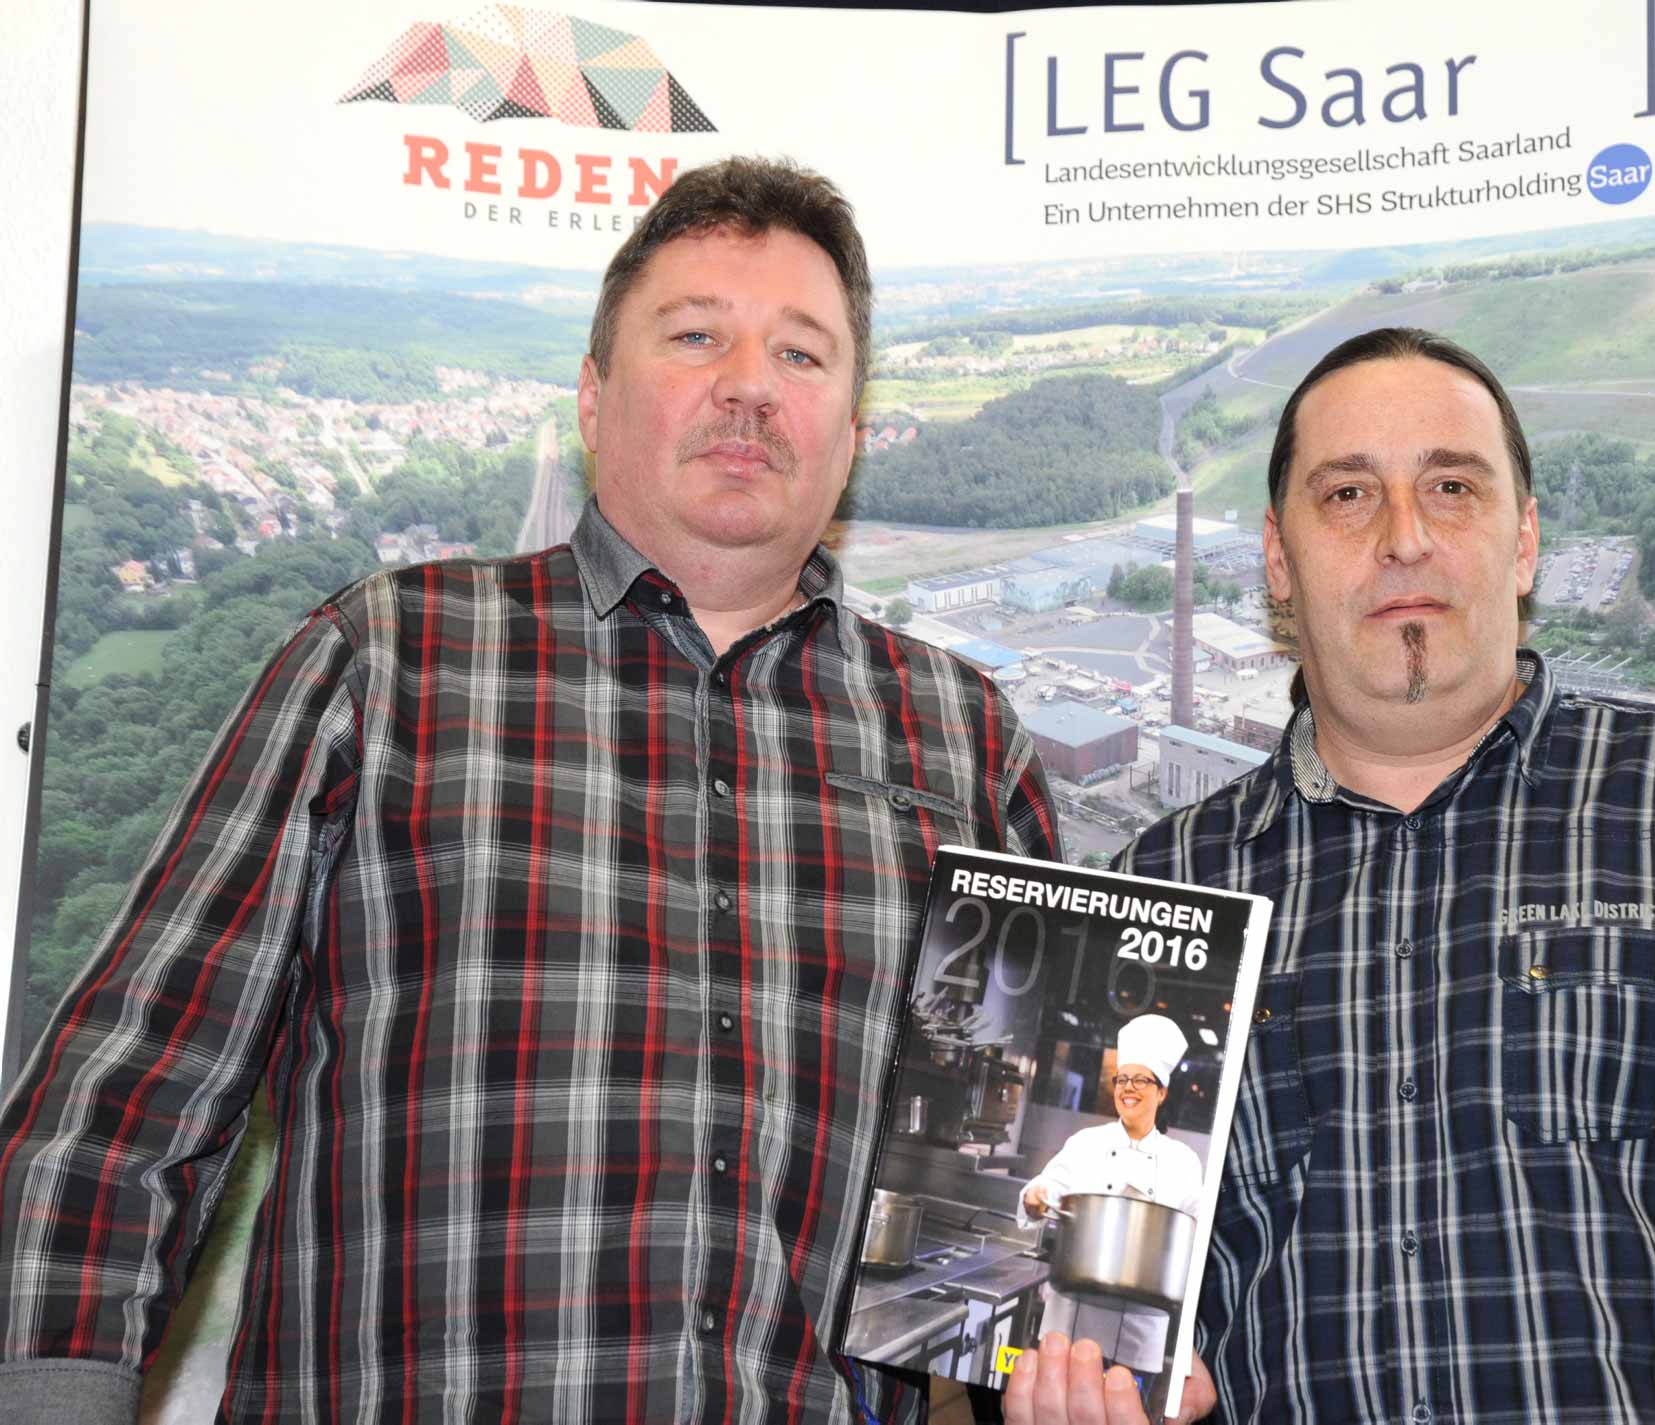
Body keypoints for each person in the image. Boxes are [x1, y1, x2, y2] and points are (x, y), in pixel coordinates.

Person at [0, 156, 1059, 1424]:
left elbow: (1015, 1216)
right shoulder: (386, 659)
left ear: (852, 431)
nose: (748, 385)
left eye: (800, 354)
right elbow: (123, 1100)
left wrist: (1069, 1362)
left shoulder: (964, 739)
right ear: (594, 398)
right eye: (695, 336)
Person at [1008, 327, 1655, 1424]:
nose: (1404, 538)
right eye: (1348, 495)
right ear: (1278, 559)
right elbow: (1109, 1307)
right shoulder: (1170, 888)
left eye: (1451, 487)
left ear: (1524, 542)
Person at [1016, 1015, 1203, 1375]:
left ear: (1161, 1092)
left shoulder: (1183, 1162)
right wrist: (1035, 1198)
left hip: (1138, 1335)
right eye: (1122, 1079)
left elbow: (1198, 1233)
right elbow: (1046, 1187)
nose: (1128, 1088)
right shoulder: (1086, 1143)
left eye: (1141, 1080)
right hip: (1069, 1321)